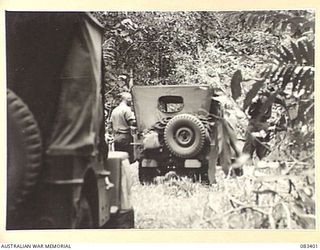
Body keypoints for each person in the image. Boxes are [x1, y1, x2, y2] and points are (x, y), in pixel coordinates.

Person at [109, 92, 136, 163]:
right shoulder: (127, 109)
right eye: (130, 99)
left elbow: (111, 125)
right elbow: (131, 122)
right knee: (128, 160)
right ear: (127, 99)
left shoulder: (114, 110)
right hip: (125, 137)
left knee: (119, 160)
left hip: (116, 138)